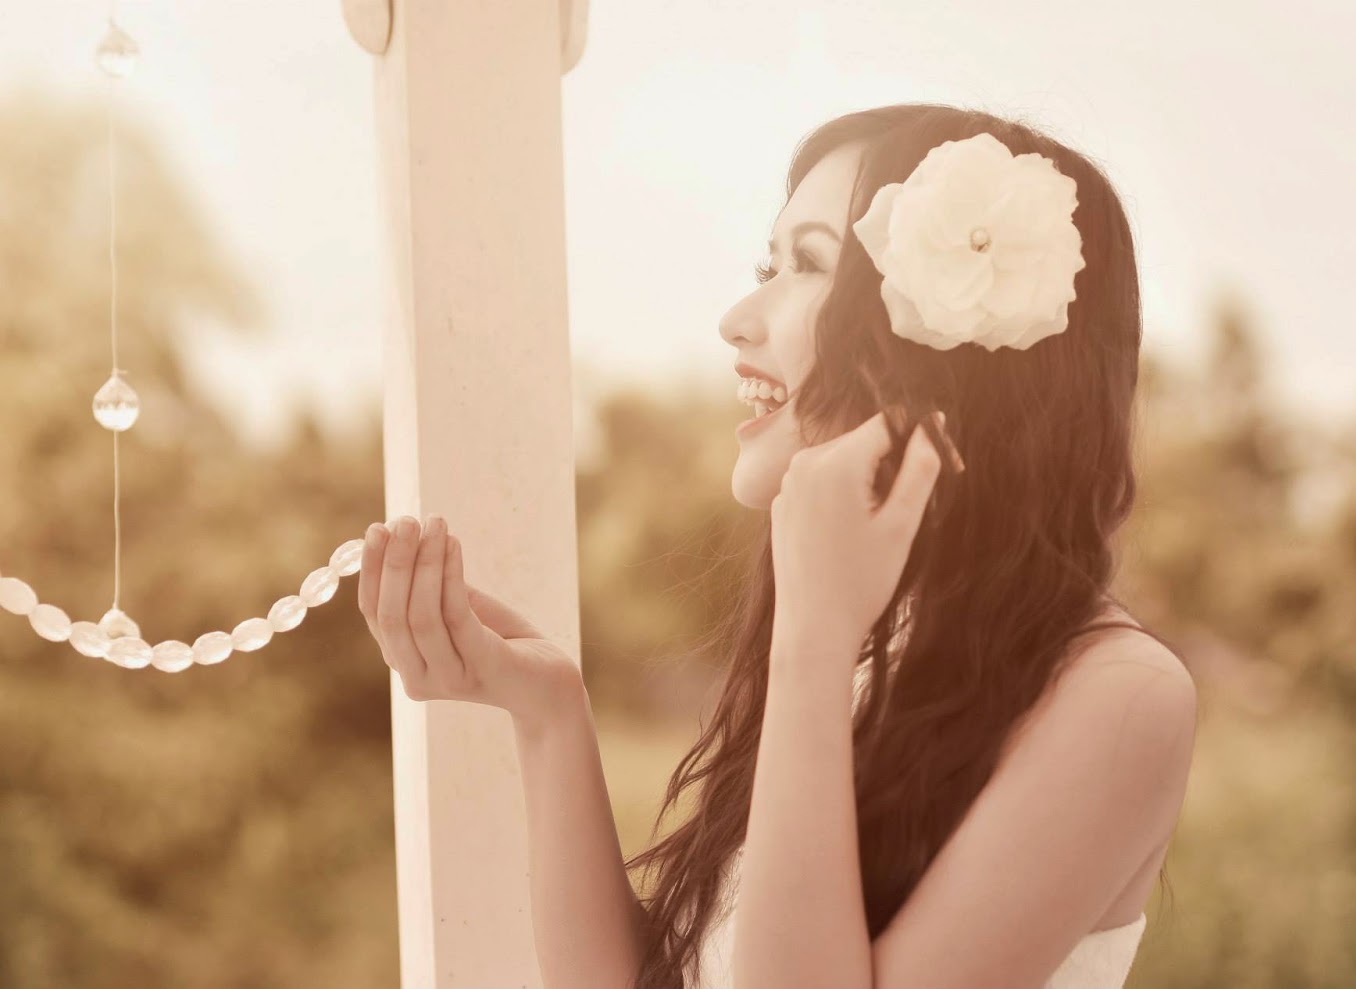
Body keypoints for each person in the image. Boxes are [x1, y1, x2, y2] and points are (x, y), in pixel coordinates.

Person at [358, 101, 1197, 989]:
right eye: (770, 263)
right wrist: (547, 713)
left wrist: (814, 636)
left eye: (808, 263)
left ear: (946, 346)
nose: (737, 318)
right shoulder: (871, 642)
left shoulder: (1119, 695)